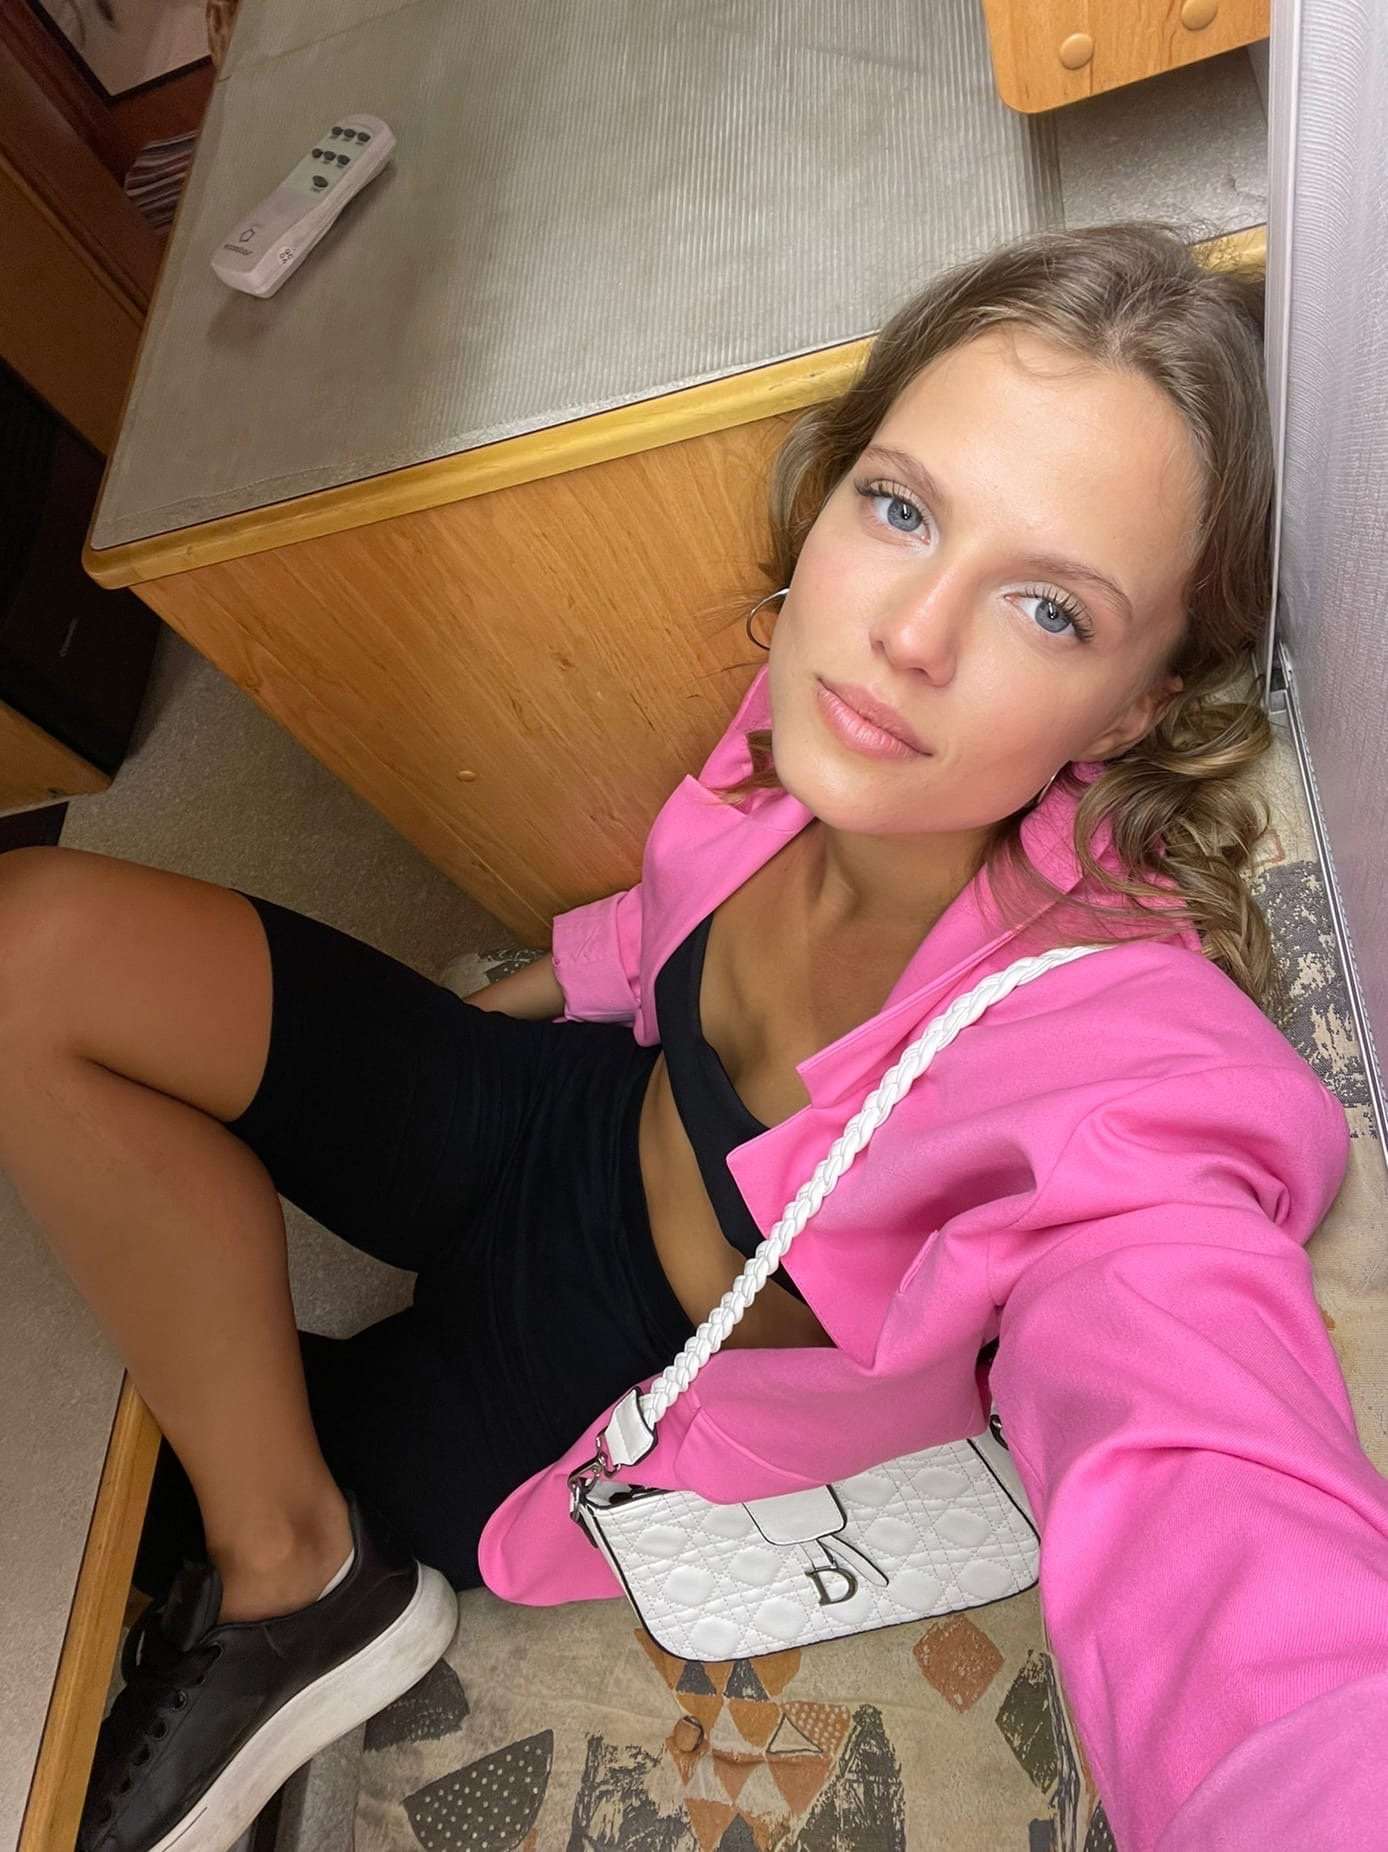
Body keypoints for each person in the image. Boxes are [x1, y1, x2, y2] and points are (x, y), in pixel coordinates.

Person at [3, 218, 1383, 1852]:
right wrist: (536, 985)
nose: (911, 633)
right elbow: (688, 884)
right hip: (570, 1113)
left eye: (1050, 610)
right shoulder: (835, 694)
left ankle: (299, 1580)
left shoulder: (1112, 1061)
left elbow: (1227, 1554)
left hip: (600, 1375)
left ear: (1140, 704)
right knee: (34, 946)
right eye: (901, 508)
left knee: (155, 1462)